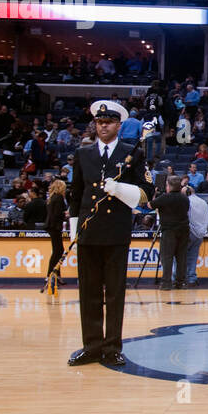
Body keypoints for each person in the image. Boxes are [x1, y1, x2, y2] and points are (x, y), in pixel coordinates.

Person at [67, 100, 154, 366]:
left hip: (116, 230)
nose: (103, 126)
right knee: (89, 291)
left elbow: (146, 193)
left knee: (115, 292)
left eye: (109, 122)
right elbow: (76, 193)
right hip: (89, 231)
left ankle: (112, 346)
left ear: (118, 125)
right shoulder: (83, 154)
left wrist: (119, 190)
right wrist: (74, 230)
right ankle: (91, 345)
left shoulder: (133, 153)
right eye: (99, 122)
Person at [152, 175, 190, 290]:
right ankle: (181, 282)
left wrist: (156, 195)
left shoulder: (165, 197)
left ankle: (166, 282)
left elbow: (150, 205)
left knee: (167, 257)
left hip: (169, 230)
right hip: (184, 229)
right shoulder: (185, 198)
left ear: (169, 186)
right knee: (181, 257)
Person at [184, 185, 208, 287]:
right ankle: (192, 279)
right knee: (193, 257)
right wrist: (203, 229)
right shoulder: (203, 202)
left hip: (188, 232)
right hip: (200, 235)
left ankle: (177, 278)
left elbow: (185, 217)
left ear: (187, 193)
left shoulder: (187, 201)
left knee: (180, 257)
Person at [46, 179, 67, 287]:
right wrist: (65, 214)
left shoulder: (52, 197)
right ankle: (50, 274)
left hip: (51, 226)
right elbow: (57, 213)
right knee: (57, 251)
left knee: (58, 251)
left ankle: (56, 274)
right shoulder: (58, 198)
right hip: (55, 226)